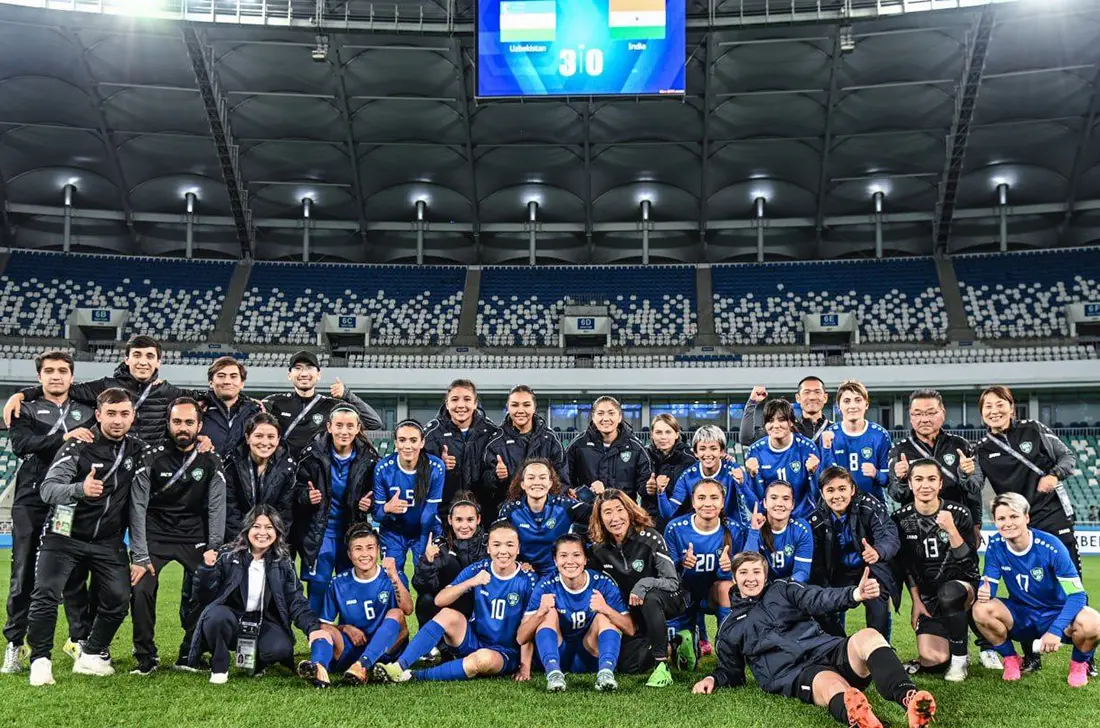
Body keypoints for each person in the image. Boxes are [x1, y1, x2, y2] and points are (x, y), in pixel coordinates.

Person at [691, 551, 936, 728]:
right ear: (734, 578)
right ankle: (862, 719)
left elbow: (818, 598)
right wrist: (713, 678)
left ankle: (910, 698)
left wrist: (854, 593)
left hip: (826, 649)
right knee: (831, 686)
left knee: (869, 636)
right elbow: (731, 671)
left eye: (757, 571)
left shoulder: (783, 588)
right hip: (795, 672)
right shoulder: (730, 628)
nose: (751, 578)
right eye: (743, 572)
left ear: (765, 575)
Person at [26, 388, 150, 686]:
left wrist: (141, 554)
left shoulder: (139, 450)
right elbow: (48, 489)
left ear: (133, 416)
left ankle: (91, 654)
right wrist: (80, 489)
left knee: (120, 598)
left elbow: (138, 505)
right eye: (111, 414)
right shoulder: (78, 445)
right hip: (64, 534)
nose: (117, 420)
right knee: (46, 593)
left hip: (108, 541)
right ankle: (40, 660)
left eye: (124, 414)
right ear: (98, 415)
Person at [3, 351, 95, 674]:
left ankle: (78, 639)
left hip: (67, 498)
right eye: (49, 371)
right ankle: (15, 643)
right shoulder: (23, 408)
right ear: (39, 376)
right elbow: (21, 444)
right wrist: (63, 438)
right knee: (24, 568)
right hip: (31, 496)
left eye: (62, 371)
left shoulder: (88, 410)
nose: (56, 376)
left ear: (72, 376)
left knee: (70, 568)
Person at [129, 397, 227, 675]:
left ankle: (190, 653)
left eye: (188, 422)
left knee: (209, 586)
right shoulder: (151, 456)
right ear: (168, 423)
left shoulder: (211, 459)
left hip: (193, 537)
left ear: (199, 425)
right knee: (141, 589)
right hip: (154, 537)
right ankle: (145, 656)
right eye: (176, 422)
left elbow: (217, 506)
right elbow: (137, 505)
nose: (182, 427)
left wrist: (214, 547)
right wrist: (139, 554)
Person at [374, 521, 537, 684]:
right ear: (488, 548)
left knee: (481, 660)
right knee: (447, 614)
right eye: (496, 545)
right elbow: (440, 600)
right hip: (474, 639)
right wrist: (470, 582)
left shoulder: (527, 580)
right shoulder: (479, 569)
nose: (503, 551)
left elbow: (528, 630)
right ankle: (399, 666)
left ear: (518, 548)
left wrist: (524, 667)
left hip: (504, 652)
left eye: (510, 545)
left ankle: (414, 676)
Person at [190, 506, 330, 684]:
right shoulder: (227, 555)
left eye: (269, 527)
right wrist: (206, 569)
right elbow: (203, 598)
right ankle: (219, 667)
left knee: (280, 648)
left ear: (277, 531)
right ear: (247, 529)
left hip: (264, 620)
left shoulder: (283, 560)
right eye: (256, 526)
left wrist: (313, 629)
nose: (262, 532)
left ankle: (256, 662)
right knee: (215, 616)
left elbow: (295, 600)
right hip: (232, 617)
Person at [973, 493, 1100, 687]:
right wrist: (985, 590)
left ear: (1026, 517)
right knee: (981, 609)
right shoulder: (996, 544)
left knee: (1093, 622)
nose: (1007, 523)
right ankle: (1011, 659)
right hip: (1022, 614)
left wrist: (1056, 630)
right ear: (995, 521)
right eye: (1001, 518)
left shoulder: (1051, 546)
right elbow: (990, 581)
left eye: (1014, 516)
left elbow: (1077, 595)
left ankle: (1079, 664)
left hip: (1054, 614)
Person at [3, 335, 208, 445]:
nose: (142, 362)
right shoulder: (105, 386)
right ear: (127, 359)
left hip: (151, 465)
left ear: (158, 362)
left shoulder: (168, 391)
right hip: (113, 461)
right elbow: (63, 387)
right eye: (136, 355)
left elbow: (205, 398)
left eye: (149, 356)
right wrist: (21, 395)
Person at [588, 489, 687, 688]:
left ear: (629, 511)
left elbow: (672, 581)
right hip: (632, 611)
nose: (615, 518)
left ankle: (662, 667)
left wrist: (643, 584)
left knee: (650, 598)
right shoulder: (599, 550)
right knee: (629, 665)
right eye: (607, 512)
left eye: (619, 510)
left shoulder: (651, 538)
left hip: (669, 599)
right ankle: (674, 644)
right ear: (599, 517)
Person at [972, 385, 1078, 569]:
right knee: (1035, 579)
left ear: (1011, 407)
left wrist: (1054, 475)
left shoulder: (1033, 428)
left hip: (1052, 513)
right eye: (988, 406)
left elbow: (1068, 457)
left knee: (1069, 573)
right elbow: (974, 485)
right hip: (1018, 521)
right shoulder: (981, 449)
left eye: (1000, 404)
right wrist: (965, 473)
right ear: (982, 413)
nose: (994, 411)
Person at [891, 459, 979, 682]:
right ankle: (954, 637)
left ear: (940, 483)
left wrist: (951, 530)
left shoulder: (959, 513)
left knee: (949, 593)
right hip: (929, 596)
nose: (925, 485)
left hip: (962, 588)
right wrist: (916, 602)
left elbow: (970, 566)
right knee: (933, 660)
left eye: (931, 479)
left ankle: (960, 659)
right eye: (918, 479)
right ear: (910, 484)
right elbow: (906, 568)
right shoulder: (900, 519)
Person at [298, 522, 412, 687]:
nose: (365, 554)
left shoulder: (394, 576)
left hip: (387, 650)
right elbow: (325, 625)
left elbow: (407, 610)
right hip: (352, 647)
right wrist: (345, 628)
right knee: (322, 629)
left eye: (370, 547)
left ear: (378, 550)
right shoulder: (338, 583)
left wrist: (394, 576)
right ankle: (318, 668)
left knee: (396, 613)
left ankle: (362, 666)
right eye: (358, 549)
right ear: (350, 555)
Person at [517, 534, 635, 693]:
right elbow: (521, 637)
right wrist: (540, 613)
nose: (570, 561)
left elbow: (630, 629)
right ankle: (553, 675)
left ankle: (606, 673)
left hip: (590, 654)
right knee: (548, 614)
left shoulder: (602, 583)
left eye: (576, 555)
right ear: (555, 560)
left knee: (604, 616)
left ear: (585, 559)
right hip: (559, 653)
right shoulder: (545, 585)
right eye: (563, 556)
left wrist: (605, 608)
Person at [295, 406, 379, 613]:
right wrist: (307, 496)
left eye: (350, 426)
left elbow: (377, 492)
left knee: (350, 583)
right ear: (329, 427)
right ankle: (317, 634)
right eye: (339, 425)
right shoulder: (310, 454)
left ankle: (346, 633)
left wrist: (370, 503)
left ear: (358, 428)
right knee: (319, 585)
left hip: (351, 532)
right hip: (320, 532)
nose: (344, 431)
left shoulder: (369, 458)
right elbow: (295, 489)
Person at [663, 478, 746, 670]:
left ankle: (726, 647)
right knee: (681, 661)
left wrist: (728, 569)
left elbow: (740, 579)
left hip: (712, 595)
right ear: (693, 502)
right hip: (681, 595)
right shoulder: (675, 528)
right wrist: (683, 564)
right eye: (701, 498)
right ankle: (690, 637)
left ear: (723, 502)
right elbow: (668, 574)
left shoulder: (734, 529)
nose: (708, 503)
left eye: (714, 498)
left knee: (727, 588)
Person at [808, 466, 899, 640]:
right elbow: (816, 563)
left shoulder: (870, 506)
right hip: (835, 574)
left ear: (852, 489)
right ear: (822, 493)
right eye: (830, 490)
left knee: (876, 594)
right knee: (821, 600)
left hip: (869, 570)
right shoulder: (815, 519)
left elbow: (890, 536)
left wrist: (878, 551)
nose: (837, 496)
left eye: (842, 489)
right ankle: (838, 649)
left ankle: (879, 650)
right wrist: (821, 587)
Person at [887, 389, 983, 533]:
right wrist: (901, 480)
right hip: (917, 530)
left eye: (931, 413)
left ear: (943, 413)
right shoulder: (899, 450)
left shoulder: (961, 445)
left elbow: (975, 489)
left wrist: (976, 524)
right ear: (911, 417)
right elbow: (896, 494)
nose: (924, 419)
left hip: (957, 524)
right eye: (917, 413)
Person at [261, 350, 382, 457]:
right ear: (289, 375)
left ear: (318, 375)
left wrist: (347, 395)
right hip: (283, 476)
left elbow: (374, 422)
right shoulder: (275, 402)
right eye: (298, 368)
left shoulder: (331, 405)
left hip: (317, 476)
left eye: (309, 368)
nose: (304, 373)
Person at [480, 385, 567, 520]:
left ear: (534, 407)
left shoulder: (550, 440)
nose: (520, 410)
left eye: (526, 405)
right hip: (509, 517)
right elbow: (484, 485)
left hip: (545, 516)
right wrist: (496, 476)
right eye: (515, 405)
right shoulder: (495, 442)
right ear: (508, 407)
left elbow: (563, 481)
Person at [372, 419, 445, 575]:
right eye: (402, 440)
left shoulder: (436, 467)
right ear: (396, 443)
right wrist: (387, 508)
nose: (407, 446)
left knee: (427, 578)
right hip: (393, 532)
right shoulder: (382, 469)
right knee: (392, 578)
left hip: (424, 530)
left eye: (413, 440)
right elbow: (377, 515)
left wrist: (424, 546)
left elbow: (429, 512)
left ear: (422, 442)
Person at [496, 459, 592, 577]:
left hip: (561, 573)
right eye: (531, 478)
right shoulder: (511, 510)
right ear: (522, 484)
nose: (537, 482)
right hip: (525, 573)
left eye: (542, 478)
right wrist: (516, 563)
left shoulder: (564, 506)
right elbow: (498, 543)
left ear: (550, 483)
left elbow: (598, 516)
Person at [412, 492, 487, 634]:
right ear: (450, 520)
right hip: (451, 603)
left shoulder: (489, 543)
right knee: (426, 599)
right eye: (459, 520)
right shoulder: (439, 546)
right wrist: (427, 563)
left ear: (478, 520)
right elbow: (421, 587)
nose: (464, 526)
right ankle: (434, 645)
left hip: (482, 604)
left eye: (470, 519)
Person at [424, 379, 498, 509]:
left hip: (483, 512)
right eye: (455, 399)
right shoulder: (431, 434)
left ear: (475, 403)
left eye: (467, 399)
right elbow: (419, 475)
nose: (461, 405)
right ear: (447, 404)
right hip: (443, 512)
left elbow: (493, 477)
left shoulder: (491, 432)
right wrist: (438, 466)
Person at [744, 399, 822, 519]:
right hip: (771, 520)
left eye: (781, 420)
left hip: (804, 518)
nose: (776, 425)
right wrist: (753, 477)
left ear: (791, 422)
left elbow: (817, 494)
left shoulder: (807, 448)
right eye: (770, 421)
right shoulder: (755, 451)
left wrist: (814, 473)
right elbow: (755, 501)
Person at [223, 413, 297, 538]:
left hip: (271, 538)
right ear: (247, 438)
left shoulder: (288, 468)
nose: (265, 442)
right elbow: (230, 511)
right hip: (238, 537)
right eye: (258, 436)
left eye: (271, 437)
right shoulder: (231, 465)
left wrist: (269, 541)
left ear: (278, 439)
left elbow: (284, 513)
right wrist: (244, 541)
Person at [565, 395, 651, 502]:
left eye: (611, 413)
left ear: (619, 417)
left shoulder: (635, 447)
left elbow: (644, 486)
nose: (606, 419)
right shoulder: (578, 445)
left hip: (623, 513)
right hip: (587, 513)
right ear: (593, 416)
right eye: (600, 413)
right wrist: (577, 491)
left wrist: (649, 487)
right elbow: (565, 480)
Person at [658, 425, 746, 525]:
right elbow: (668, 513)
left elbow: (749, 504)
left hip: (732, 532)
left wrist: (743, 484)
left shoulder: (734, 471)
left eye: (713, 448)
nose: (708, 454)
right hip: (702, 531)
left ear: (721, 452)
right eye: (703, 449)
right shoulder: (688, 476)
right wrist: (661, 492)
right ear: (695, 452)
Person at [820, 381, 892, 502]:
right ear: (839, 406)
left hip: (873, 507)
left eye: (858, 400)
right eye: (847, 401)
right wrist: (826, 448)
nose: (852, 406)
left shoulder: (880, 435)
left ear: (866, 404)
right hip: (840, 506)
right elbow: (824, 479)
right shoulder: (830, 435)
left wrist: (876, 473)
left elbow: (888, 480)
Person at [745, 480, 814, 583]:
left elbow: (802, 572)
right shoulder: (753, 527)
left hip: (791, 587)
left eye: (785, 498)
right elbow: (747, 566)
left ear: (792, 504)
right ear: (764, 503)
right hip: (761, 587)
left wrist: (780, 588)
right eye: (773, 498)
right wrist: (754, 531)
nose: (780, 504)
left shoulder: (801, 528)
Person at [738, 376, 833, 446]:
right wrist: (752, 403)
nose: (812, 397)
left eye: (817, 392)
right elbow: (747, 439)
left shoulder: (836, 430)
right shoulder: (786, 428)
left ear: (825, 397)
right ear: (798, 398)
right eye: (806, 392)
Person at [200, 356, 262, 458]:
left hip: (241, 473)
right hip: (205, 471)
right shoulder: (198, 410)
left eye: (233, 376)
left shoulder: (256, 412)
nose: (227, 381)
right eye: (221, 376)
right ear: (211, 382)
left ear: (242, 383)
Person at [641, 413, 696, 528]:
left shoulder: (689, 458)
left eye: (668, 432)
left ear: (676, 434)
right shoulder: (644, 456)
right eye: (658, 432)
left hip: (681, 522)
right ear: (652, 435)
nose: (663, 437)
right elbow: (638, 485)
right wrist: (647, 488)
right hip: (650, 521)